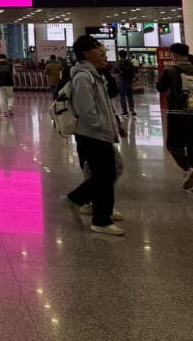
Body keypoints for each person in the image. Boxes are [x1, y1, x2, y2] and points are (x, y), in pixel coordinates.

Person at [65, 35, 127, 236]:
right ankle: (92, 211)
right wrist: (103, 127)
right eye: (97, 47)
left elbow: (105, 105)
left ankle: (96, 210)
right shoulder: (84, 76)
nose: (102, 50)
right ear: (85, 53)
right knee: (105, 175)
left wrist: (115, 123)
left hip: (100, 133)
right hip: (92, 134)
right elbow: (87, 111)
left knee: (106, 173)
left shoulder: (95, 74)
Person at [156, 42, 193, 190]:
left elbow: (161, 88)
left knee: (173, 145)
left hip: (177, 114)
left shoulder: (171, 70)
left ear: (174, 55)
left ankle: (187, 168)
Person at [115, 50, 138, 117]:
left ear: (119, 55)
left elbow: (114, 70)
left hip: (121, 81)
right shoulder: (129, 62)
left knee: (122, 96)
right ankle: (132, 110)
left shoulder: (118, 63)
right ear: (126, 55)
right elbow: (133, 71)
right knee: (130, 95)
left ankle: (125, 111)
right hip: (129, 81)